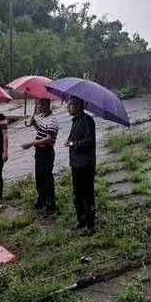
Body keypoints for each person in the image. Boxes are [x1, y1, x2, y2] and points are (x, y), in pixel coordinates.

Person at [64, 96, 97, 233]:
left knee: (87, 194)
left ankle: (91, 225)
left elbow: (89, 141)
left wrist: (73, 143)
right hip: (76, 163)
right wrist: (70, 139)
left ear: (78, 106)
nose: (68, 107)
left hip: (86, 164)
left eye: (70, 105)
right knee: (77, 193)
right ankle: (81, 219)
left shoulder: (88, 120)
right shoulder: (76, 121)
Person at [21, 98, 58, 214]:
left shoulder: (52, 120)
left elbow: (48, 139)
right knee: (39, 177)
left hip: (46, 152)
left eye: (38, 104)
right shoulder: (43, 118)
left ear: (46, 104)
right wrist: (35, 125)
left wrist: (31, 143)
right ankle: (41, 200)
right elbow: (41, 132)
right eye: (36, 104)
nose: (37, 106)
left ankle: (50, 204)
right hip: (40, 153)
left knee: (46, 178)